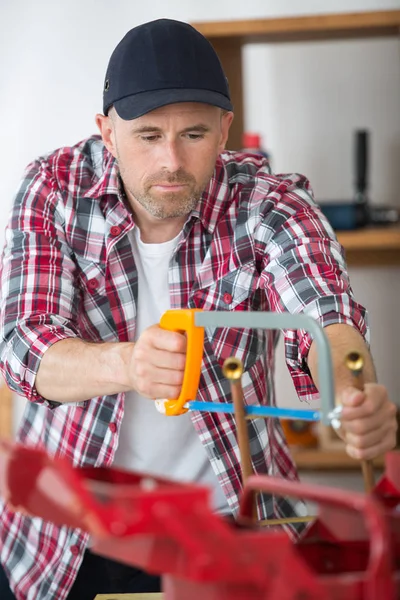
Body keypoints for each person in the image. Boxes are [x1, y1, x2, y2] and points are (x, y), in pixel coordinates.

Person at [0, 17, 397, 600]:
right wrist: (130, 365)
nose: (172, 162)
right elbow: (21, 347)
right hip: (67, 537)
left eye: (193, 134)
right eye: (147, 136)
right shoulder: (52, 189)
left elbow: (325, 319)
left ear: (224, 129)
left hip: (233, 523)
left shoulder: (272, 202)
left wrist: (350, 396)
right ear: (106, 132)